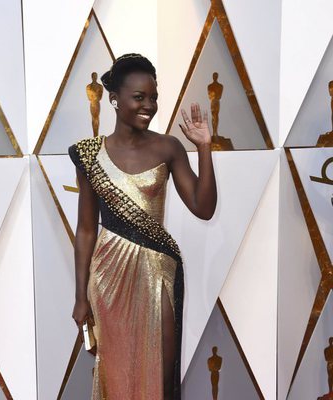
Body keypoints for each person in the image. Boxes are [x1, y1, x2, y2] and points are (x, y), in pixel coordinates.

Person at [69, 53, 217, 400]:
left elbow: (204, 207)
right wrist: (80, 297)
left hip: (158, 273)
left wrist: (205, 148)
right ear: (115, 99)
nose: (148, 105)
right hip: (107, 276)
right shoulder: (89, 154)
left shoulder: (169, 147)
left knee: (160, 372)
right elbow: (86, 229)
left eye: (153, 97)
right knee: (116, 372)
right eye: (139, 97)